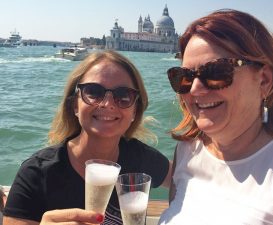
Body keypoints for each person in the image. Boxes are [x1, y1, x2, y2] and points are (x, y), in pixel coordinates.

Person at [158, 9, 273, 225]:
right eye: (184, 77)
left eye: (216, 72)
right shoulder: (187, 149)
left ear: (264, 80)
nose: (195, 89)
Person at [3, 50, 171, 225]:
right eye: (94, 91)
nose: (107, 104)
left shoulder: (141, 158)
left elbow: (187, 180)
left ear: (134, 111)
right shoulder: (36, 174)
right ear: (75, 105)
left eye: (123, 95)